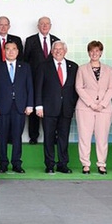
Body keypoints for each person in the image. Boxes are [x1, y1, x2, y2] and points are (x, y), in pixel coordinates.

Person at [34, 41, 78, 174]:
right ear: (51, 52)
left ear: (65, 51)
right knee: (49, 137)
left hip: (66, 108)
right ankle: (49, 165)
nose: (58, 51)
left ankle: (63, 164)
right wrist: (38, 106)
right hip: (48, 108)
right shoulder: (43, 66)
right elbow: (38, 87)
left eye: (61, 49)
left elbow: (76, 89)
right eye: (55, 49)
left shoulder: (73, 67)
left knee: (64, 137)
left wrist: (73, 105)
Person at [0, 41, 33, 173]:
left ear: (18, 51)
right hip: (2, 107)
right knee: (1, 136)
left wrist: (29, 104)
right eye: (7, 49)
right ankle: (3, 163)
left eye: (14, 49)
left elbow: (29, 87)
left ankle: (16, 163)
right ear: (4, 51)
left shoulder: (25, 67)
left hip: (19, 106)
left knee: (17, 136)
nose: (11, 51)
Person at [74, 40, 112, 175]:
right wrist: (91, 104)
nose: (94, 53)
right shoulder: (82, 69)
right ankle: (85, 164)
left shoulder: (108, 69)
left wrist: (102, 104)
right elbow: (79, 87)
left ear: (101, 52)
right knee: (84, 137)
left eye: (97, 51)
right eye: (92, 51)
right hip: (85, 108)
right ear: (88, 52)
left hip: (104, 108)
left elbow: (111, 88)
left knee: (102, 137)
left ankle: (101, 164)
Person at [23, 16, 60, 145]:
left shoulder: (56, 40)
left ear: (50, 25)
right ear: (38, 26)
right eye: (42, 24)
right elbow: (25, 61)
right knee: (34, 108)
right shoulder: (30, 40)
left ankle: (53, 136)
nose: (44, 26)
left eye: (47, 24)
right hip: (34, 80)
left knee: (51, 108)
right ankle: (34, 136)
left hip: (51, 82)